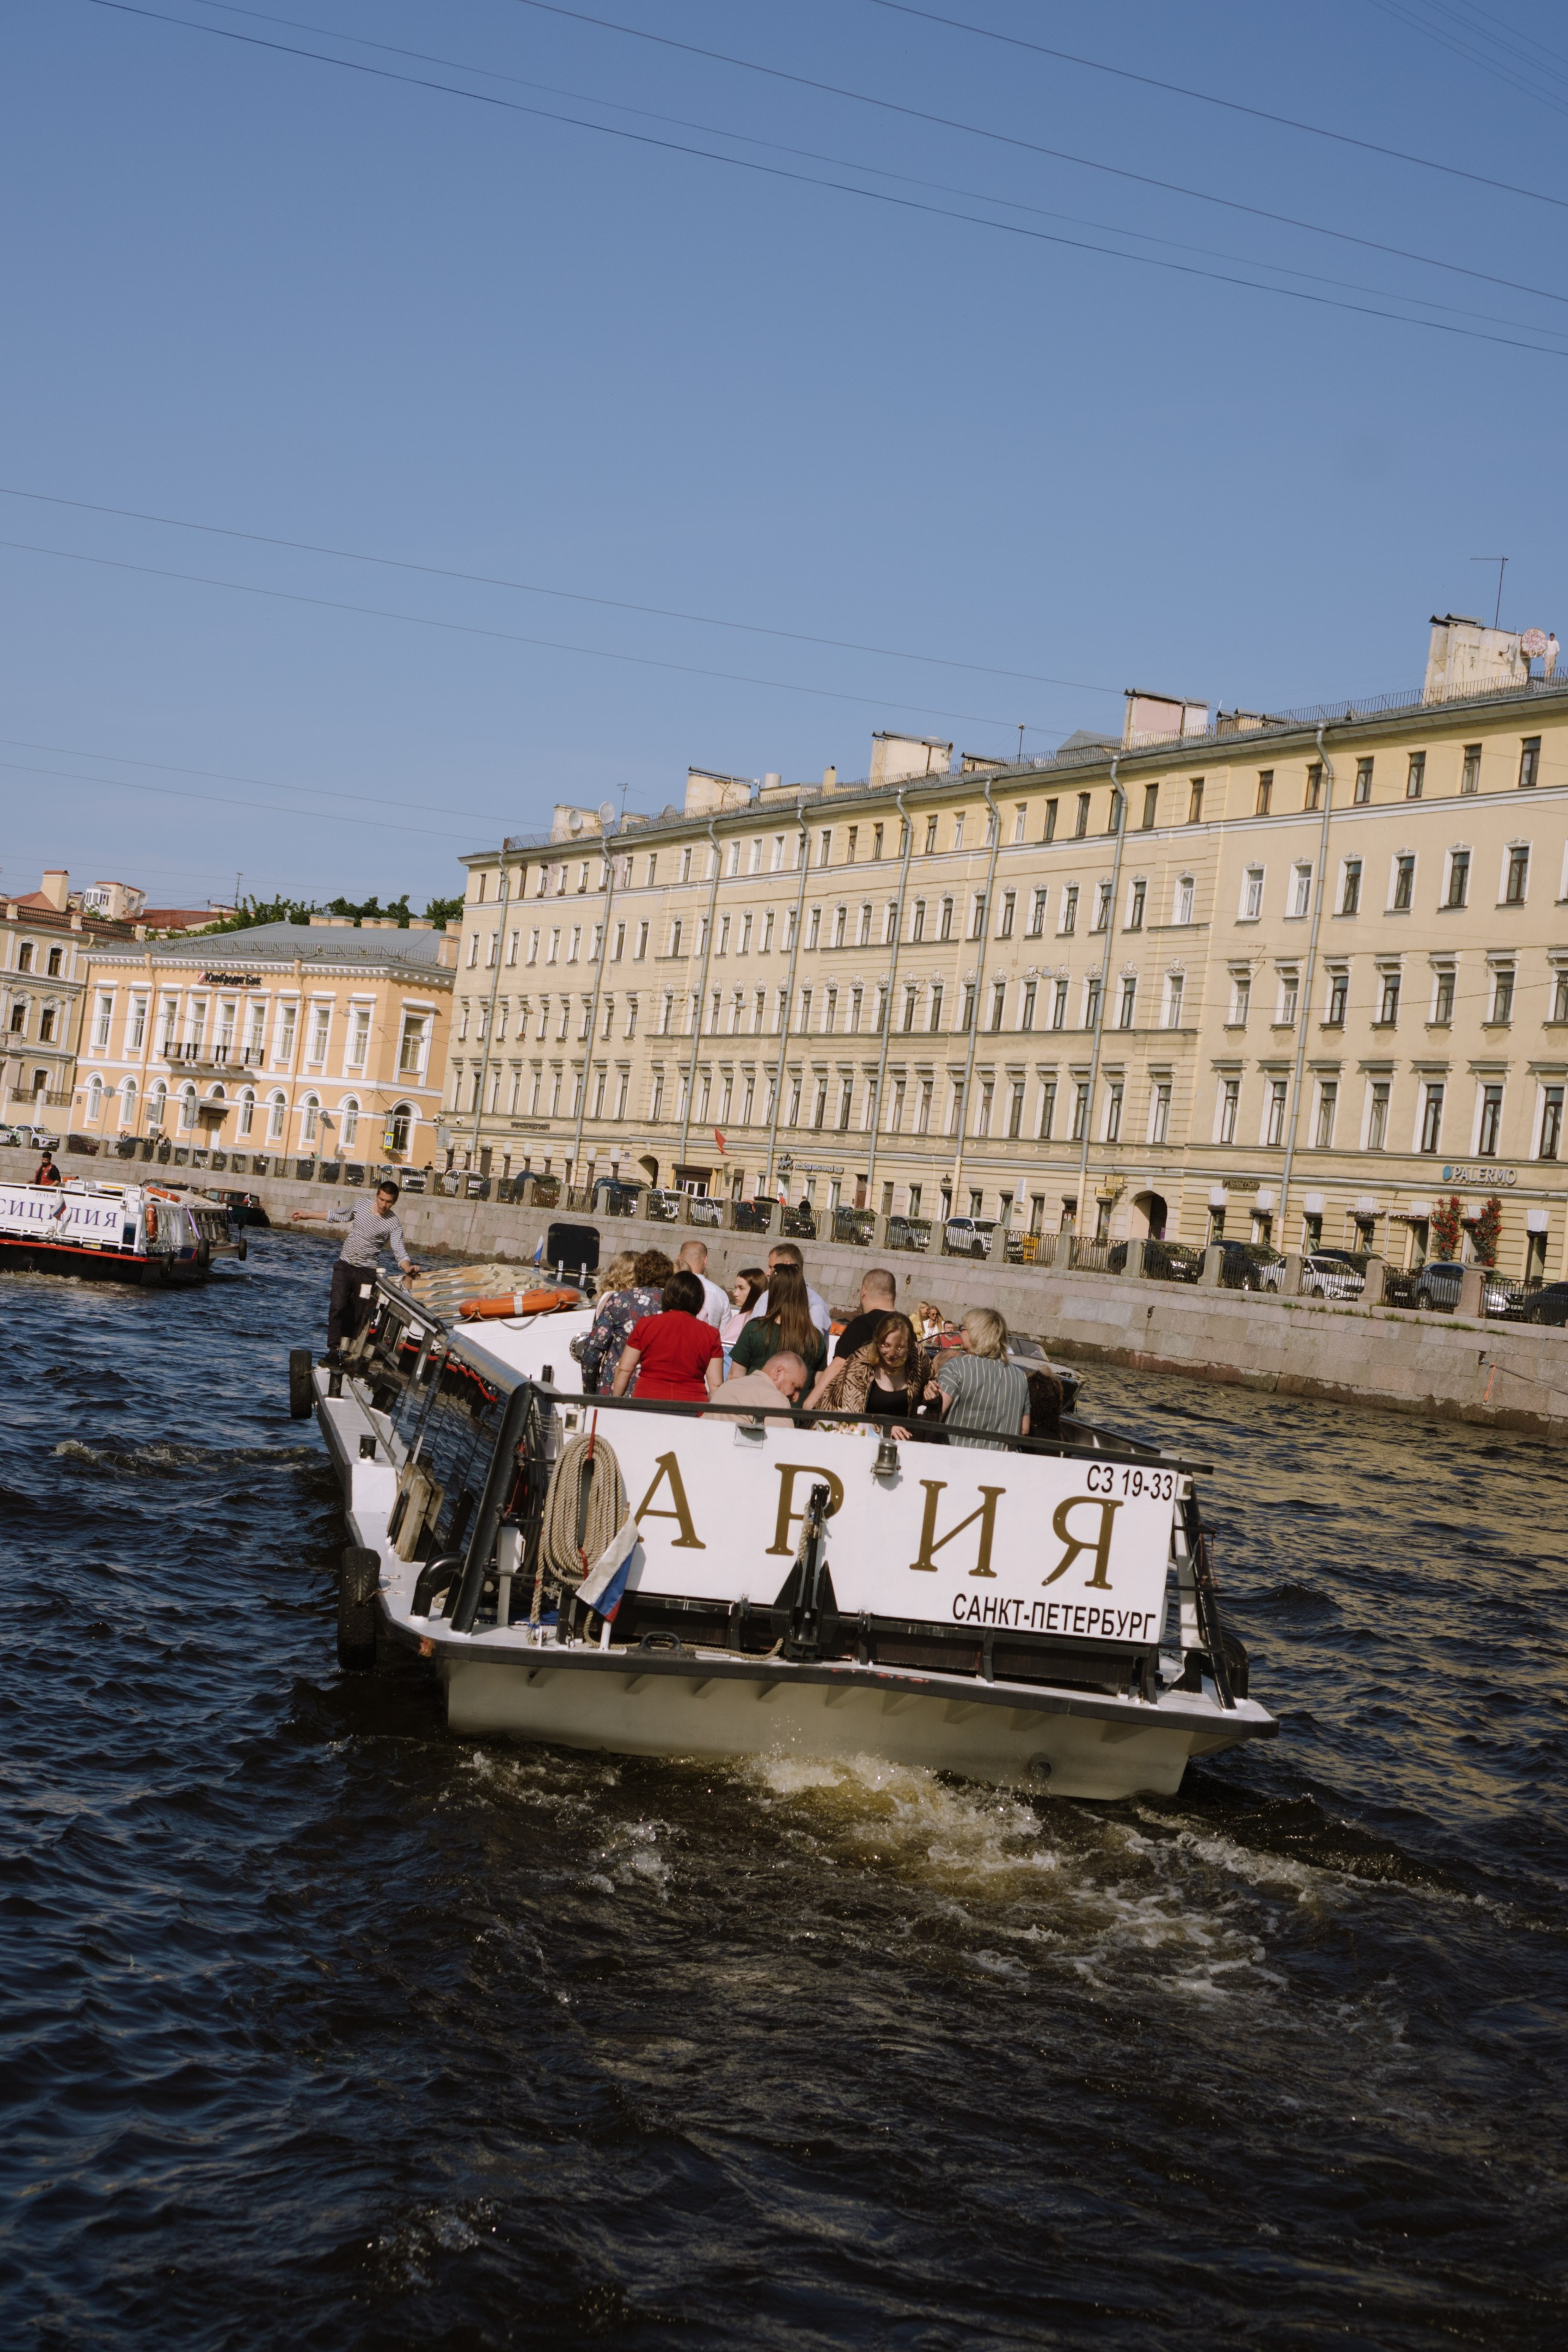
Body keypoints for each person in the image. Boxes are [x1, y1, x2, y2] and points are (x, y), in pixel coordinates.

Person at [292, 1183, 418, 1363]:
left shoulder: (393, 1224)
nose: (384, 1205)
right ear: (376, 1196)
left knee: (359, 1314)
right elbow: (338, 1215)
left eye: (389, 1202)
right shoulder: (361, 1205)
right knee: (337, 1306)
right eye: (381, 1199)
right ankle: (333, 1351)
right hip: (345, 1266)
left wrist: (408, 1268)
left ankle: (349, 1352)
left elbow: (399, 1250)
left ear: (395, 1202)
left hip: (366, 1272)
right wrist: (307, 1215)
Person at [805, 1311, 941, 1437]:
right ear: (877, 1341)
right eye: (885, 1345)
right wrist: (886, 1428)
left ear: (910, 1346)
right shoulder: (861, 1364)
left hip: (899, 1443)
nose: (892, 1353)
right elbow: (853, 1417)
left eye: (900, 1347)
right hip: (852, 1437)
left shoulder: (917, 1357)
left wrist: (933, 1397)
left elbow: (928, 1386)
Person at [611, 1267, 724, 1402]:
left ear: (668, 1295)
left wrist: (615, 1402)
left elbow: (624, 1369)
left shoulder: (646, 1325)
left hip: (646, 1401)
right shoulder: (711, 1334)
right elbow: (716, 1384)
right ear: (699, 1300)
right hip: (692, 1405)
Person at [935, 1308, 1030, 1451]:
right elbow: (1024, 1429)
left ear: (975, 1333)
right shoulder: (1020, 1376)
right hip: (1002, 1463)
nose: (960, 1332)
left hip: (957, 1459)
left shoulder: (956, 1367)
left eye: (963, 1328)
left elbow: (937, 1416)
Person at [579, 1248, 672, 1393]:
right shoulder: (674, 1304)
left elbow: (592, 1351)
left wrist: (590, 1392)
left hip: (614, 1388)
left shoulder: (620, 1300)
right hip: (655, 1393)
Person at [730, 1261, 826, 1382]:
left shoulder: (755, 1329)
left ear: (773, 1292)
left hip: (755, 1400)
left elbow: (735, 1376)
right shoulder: (815, 1338)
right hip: (797, 1401)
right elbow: (818, 1386)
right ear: (802, 1294)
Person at [744, 1240, 832, 1343]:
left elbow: (813, 1346)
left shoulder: (815, 1305)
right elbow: (752, 1335)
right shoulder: (766, 1296)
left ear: (786, 1266)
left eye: (771, 1267)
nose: (767, 1273)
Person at [708, 1351, 809, 1417]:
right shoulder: (774, 1399)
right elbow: (786, 1444)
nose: (796, 1398)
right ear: (778, 1373)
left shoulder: (727, 1387)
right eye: (795, 1388)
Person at [833, 1267, 898, 1361]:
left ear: (864, 1291)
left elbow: (838, 1366)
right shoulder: (908, 1328)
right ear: (894, 1295)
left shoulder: (862, 1325)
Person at [719, 1267, 767, 1374]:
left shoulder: (742, 1319)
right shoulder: (742, 1318)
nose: (735, 1293)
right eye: (735, 1288)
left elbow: (726, 1358)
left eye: (741, 1288)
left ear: (755, 1290)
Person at [676, 1237, 728, 1329]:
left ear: (679, 1259)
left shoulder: (670, 1287)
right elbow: (725, 1332)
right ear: (705, 1260)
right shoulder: (720, 1294)